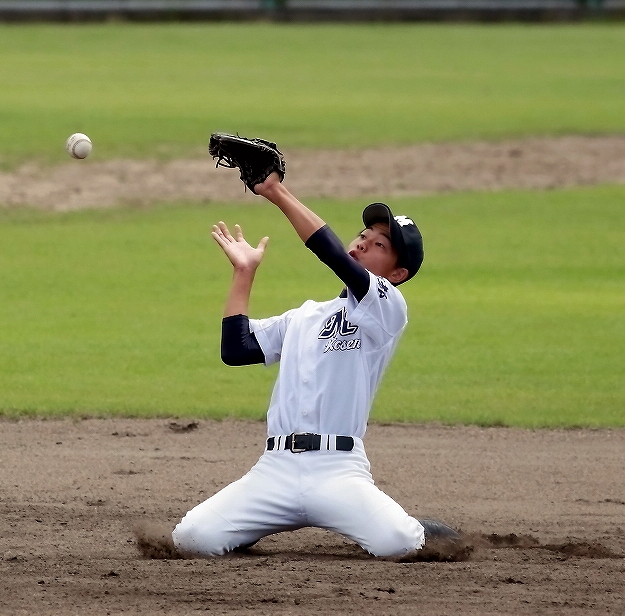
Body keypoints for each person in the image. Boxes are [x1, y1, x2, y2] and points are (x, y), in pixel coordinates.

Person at [172, 171, 454, 557]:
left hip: (337, 472)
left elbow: (332, 254)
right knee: (192, 539)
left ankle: (417, 528)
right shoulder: (303, 317)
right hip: (275, 470)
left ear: (397, 274)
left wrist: (275, 192)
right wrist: (244, 273)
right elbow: (235, 350)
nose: (361, 245)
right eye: (362, 236)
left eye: (379, 245)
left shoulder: (388, 310)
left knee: (398, 544)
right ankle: (251, 522)